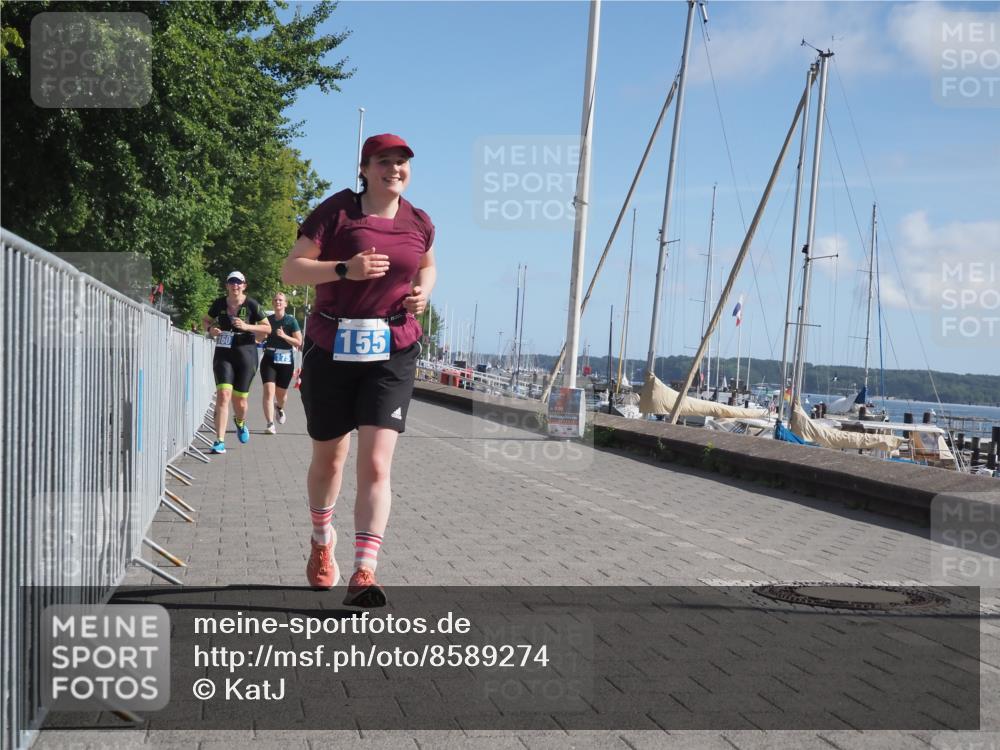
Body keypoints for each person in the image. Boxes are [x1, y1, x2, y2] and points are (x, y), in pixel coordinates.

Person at [281, 133, 436, 606]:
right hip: (332, 344)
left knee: (375, 462)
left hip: (392, 347)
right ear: (365, 168)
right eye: (385, 162)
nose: (395, 169)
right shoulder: (337, 212)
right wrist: (344, 269)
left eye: (403, 162)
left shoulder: (419, 221)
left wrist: (423, 292)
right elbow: (292, 270)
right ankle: (321, 541)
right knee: (330, 459)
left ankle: (365, 571)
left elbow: (427, 266)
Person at [203, 271, 271, 454]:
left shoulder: (252, 305)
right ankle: (219, 440)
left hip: (246, 353)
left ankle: (240, 422)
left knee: (240, 402)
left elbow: (267, 328)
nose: (235, 286)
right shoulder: (219, 303)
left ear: (244, 286)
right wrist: (211, 329)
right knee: (223, 395)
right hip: (224, 352)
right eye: (231, 282)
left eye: (238, 283)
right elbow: (206, 321)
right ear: (227, 285)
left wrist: (247, 326)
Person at [259, 292, 302, 434]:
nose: (278, 302)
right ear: (273, 303)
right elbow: (260, 336)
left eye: (280, 300)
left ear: (285, 304)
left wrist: (284, 336)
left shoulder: (291, 321)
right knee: (268, 392)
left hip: (286, 360)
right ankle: (270, 424)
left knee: (281, 395)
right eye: (276, 300)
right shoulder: (267, 320)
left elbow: (298, 342)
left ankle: (280, 407)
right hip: (269, 358)